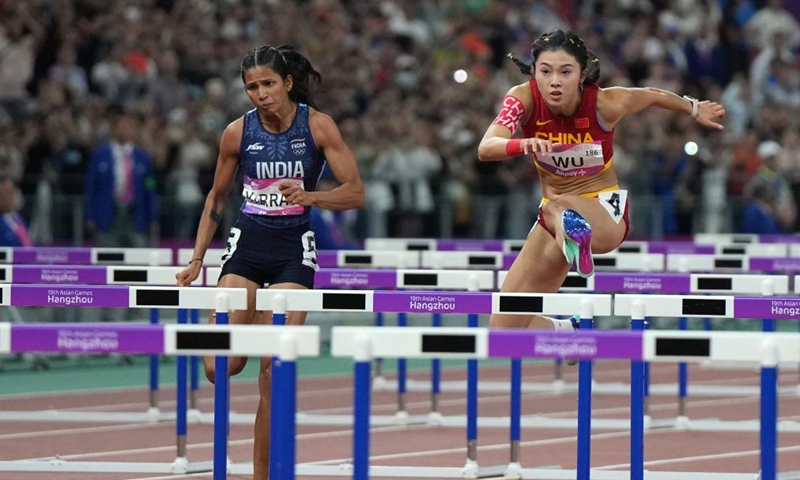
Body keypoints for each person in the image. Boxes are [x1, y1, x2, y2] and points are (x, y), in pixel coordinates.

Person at [175, 44, 364, 480]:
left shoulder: (317, 127)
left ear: (288, 83)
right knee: (219, 365)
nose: (260, 94)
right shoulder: (236, 133)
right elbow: (217, 197)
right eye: (251, 87)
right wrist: (197, 258)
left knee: (271, 375)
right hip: (247, 248)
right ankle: (252, 314)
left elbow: (355, 191)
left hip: (293, 253)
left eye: (267, 84)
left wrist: (312, 196)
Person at [477, 29, 725, 331]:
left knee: (559, 208)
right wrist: (523, 144)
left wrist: (694, 108)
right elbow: (486, 147)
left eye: (565, 72)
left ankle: (574, 235)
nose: (554, 81)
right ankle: (567, 330)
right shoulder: (522, 98)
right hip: (554, 218)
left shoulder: (605, 104)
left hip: (603, 211)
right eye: (545, 71)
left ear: (582, 75)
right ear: (534, 73)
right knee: (503, 328)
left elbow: (650, 95)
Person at [84, 110, 160, 248]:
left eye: (130, 127)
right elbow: (92, 188)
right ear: (113, 129)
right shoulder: (100, 155)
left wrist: (153, 217)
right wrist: (90, 216)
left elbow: (150, 187)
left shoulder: (142, 157)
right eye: (122, 126)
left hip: (135, 216)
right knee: (108, 259)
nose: (127, 130)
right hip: (108, 216)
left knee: (138, 259)